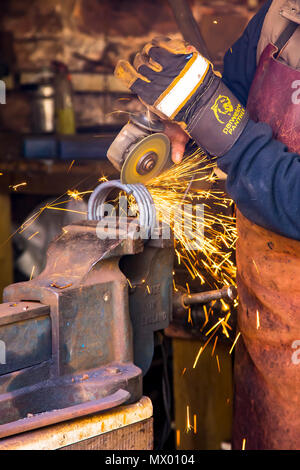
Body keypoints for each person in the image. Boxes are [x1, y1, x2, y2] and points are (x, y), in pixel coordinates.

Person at [114, 0, 300, 450]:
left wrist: (212, 117)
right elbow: (232, 100)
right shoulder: (280, 13)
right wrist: (189, 122)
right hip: (270, 333)